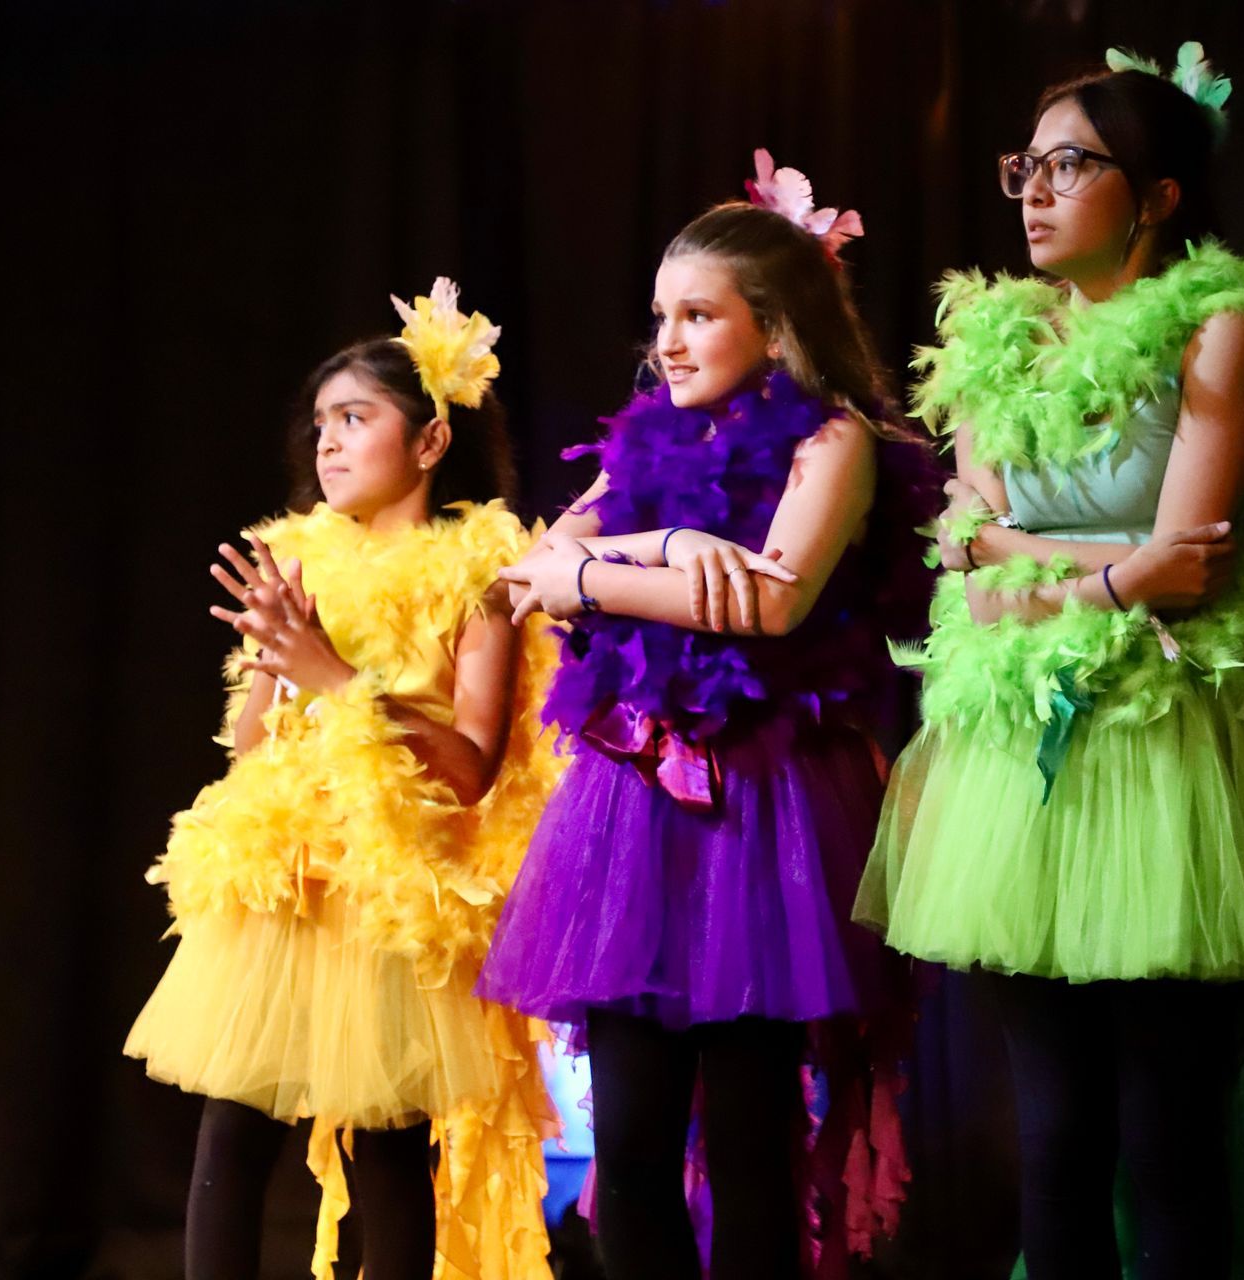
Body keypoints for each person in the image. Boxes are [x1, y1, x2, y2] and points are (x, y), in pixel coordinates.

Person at [854, 44, 1244, 1277]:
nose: (1032, 190)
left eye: (1070, 165)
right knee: (1054, 1134)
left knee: (1166, 1135)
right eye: (1024, 166)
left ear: (1158, 195)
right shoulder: (989, 339)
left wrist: (1058, 566)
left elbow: (1190, 557)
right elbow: (967, 550)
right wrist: (1107, 573)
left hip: (1157, 743)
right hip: (1010, 747)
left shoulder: (1224, 326)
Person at [478, 152, 933, 1279]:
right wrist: (672, 543)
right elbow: (532, 565)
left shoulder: (834, 443)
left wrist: (589, 574)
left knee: (746, 1143)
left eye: (699, 316)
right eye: (661, 317)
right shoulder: (644, 445)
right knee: (626, 1147)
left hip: (760, 813)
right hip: (632, 812)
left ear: (773, 329)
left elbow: (772, 599)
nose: (668, 341)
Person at [124, 280, 562, 1280]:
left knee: (392, 1151)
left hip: (396, 895)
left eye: (355, 417)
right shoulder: (296, 564)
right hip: (289, 881)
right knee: (230, 1140)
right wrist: (281, 671)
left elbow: (471, 768)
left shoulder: (479, 578)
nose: (327, 441)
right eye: (320, 422)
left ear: (430, 442)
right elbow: (248, 753)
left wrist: (336, 678)